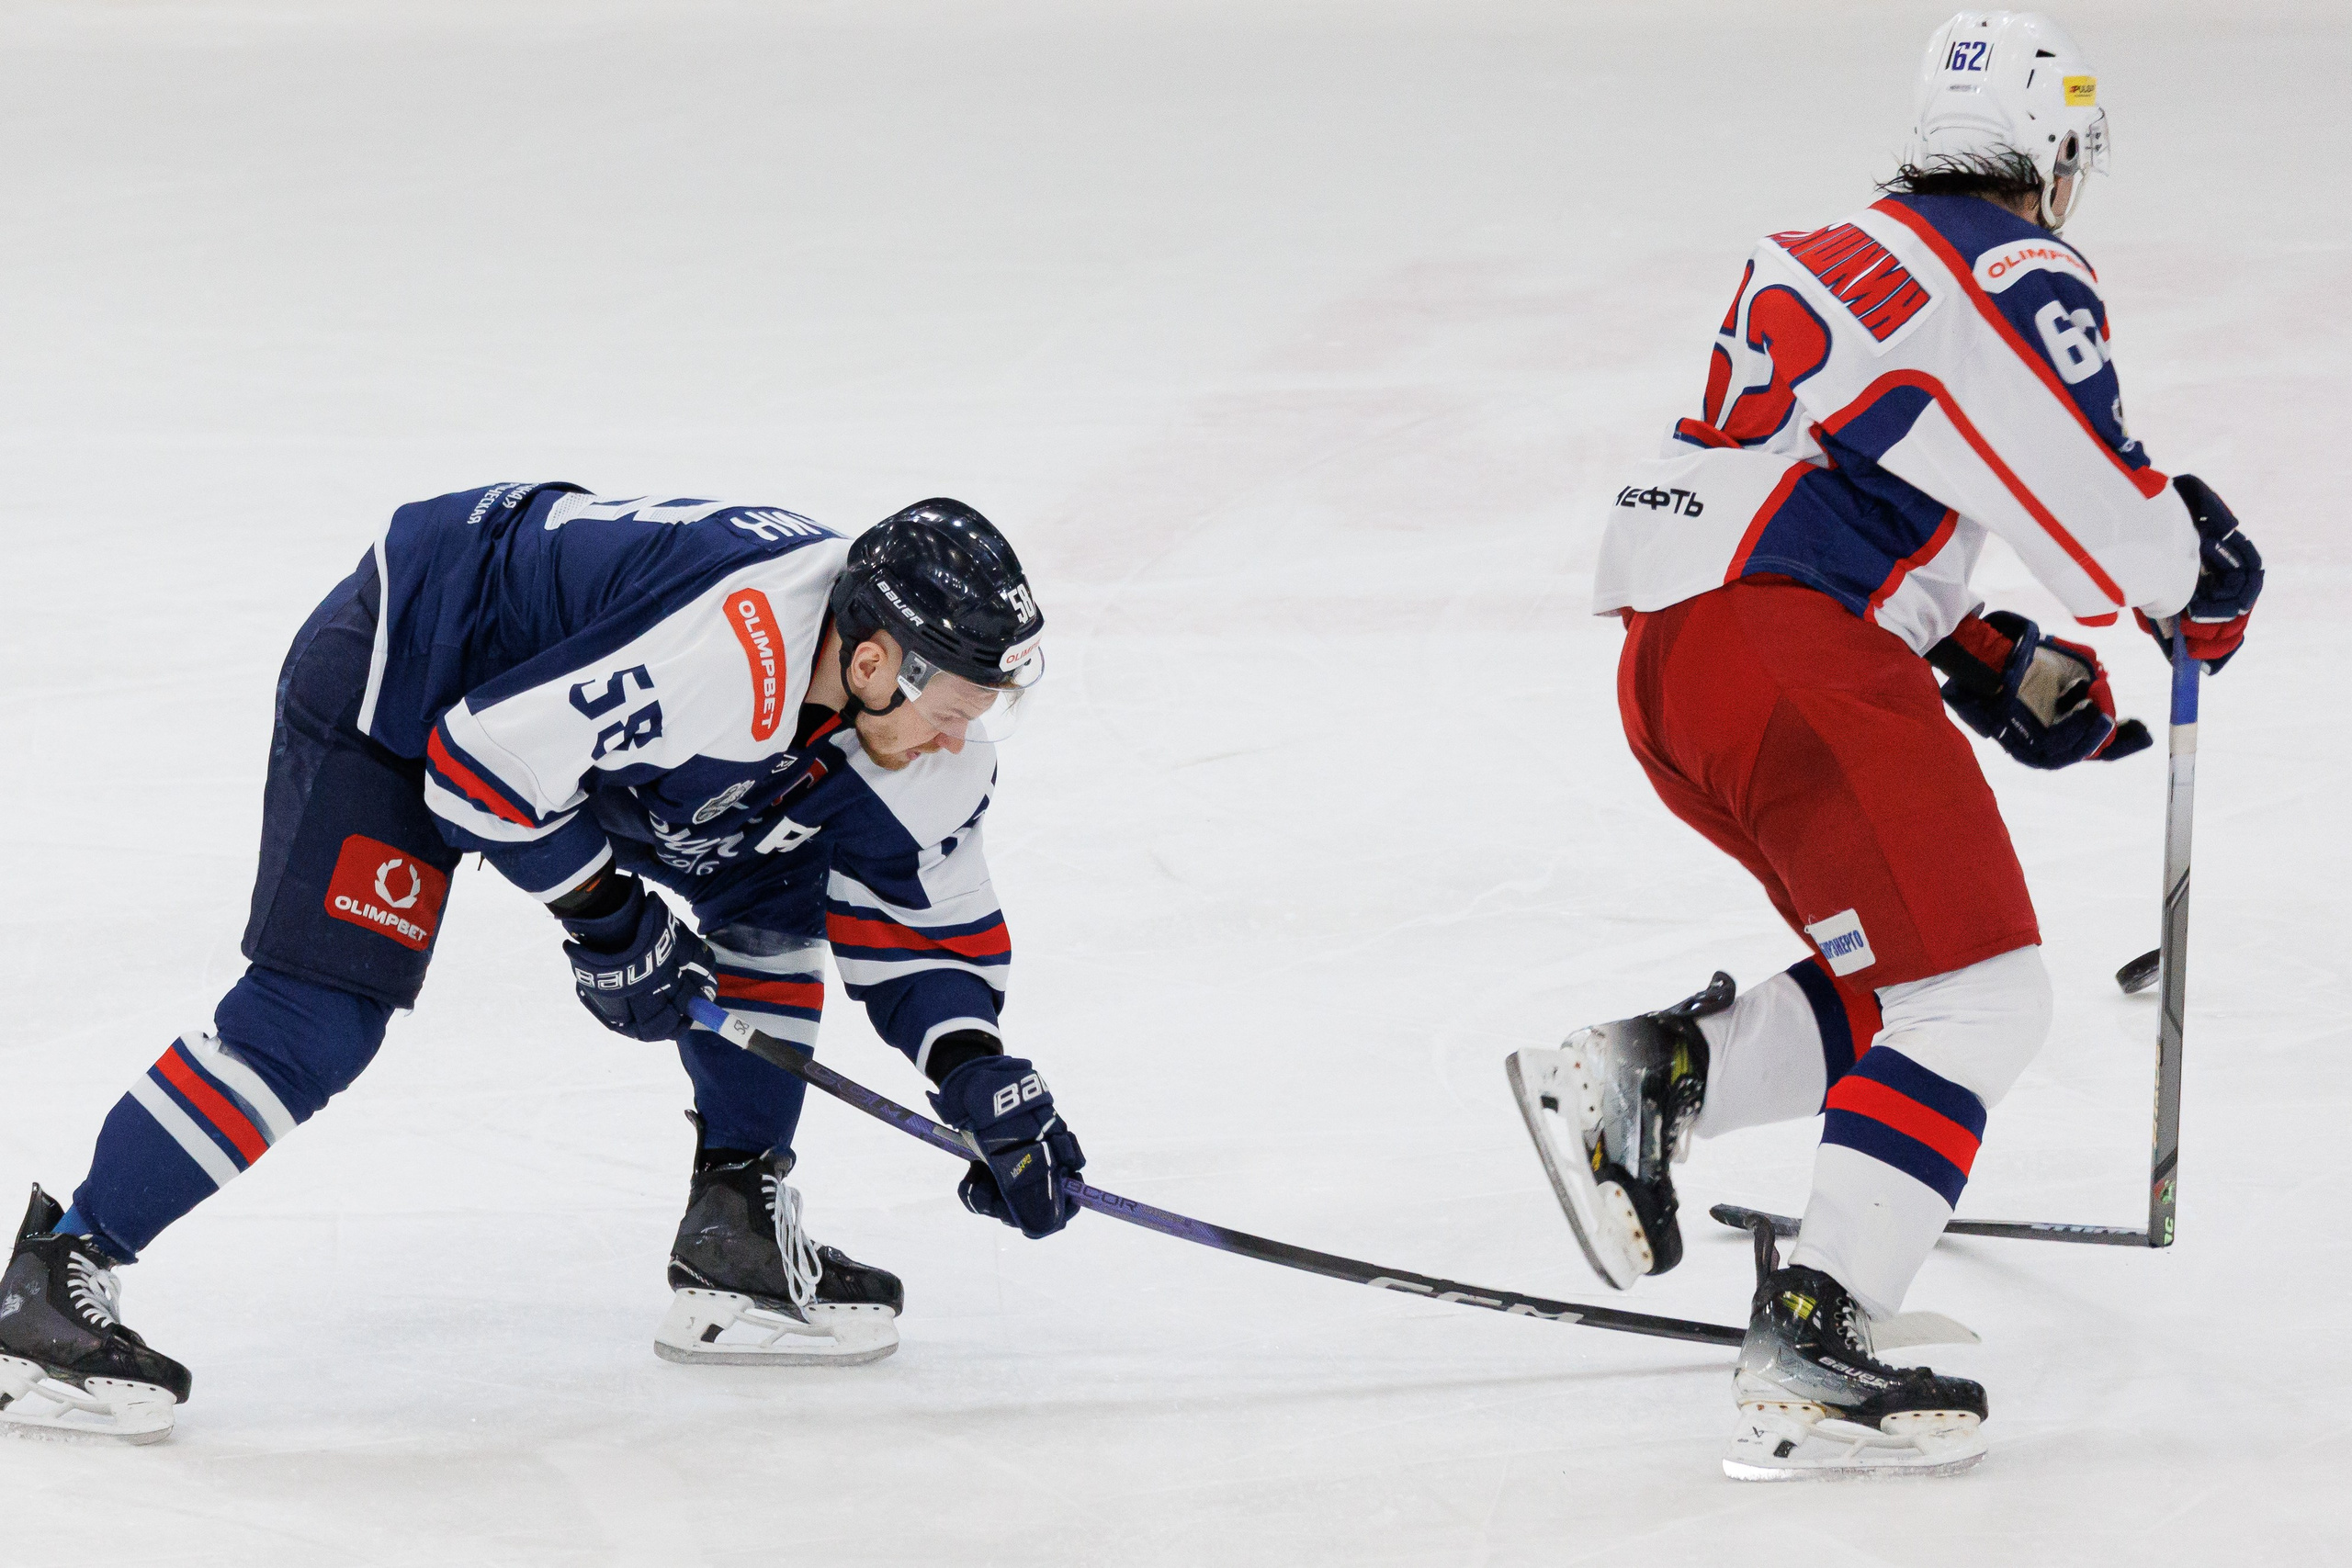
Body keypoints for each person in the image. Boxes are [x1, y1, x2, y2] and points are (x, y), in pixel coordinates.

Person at [1508, 10, 2263, 1478]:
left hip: (1680, 666)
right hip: (1786, 654)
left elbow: (1818, 488)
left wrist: (1979, 650)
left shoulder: (1845, 250)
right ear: (2053, 151)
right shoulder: (2011, 259)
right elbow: (2097, 494)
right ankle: (1817, 1322)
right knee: (1980, 999)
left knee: (1907, 976)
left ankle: (1647, 1078)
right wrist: (2195, 584)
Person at [0, 484, 1086, 1442]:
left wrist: (977, 1074)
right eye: (950, 711)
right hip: (418, 661)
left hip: (574, 731)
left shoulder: (900, 725)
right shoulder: (730, 650)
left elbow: (924, 931)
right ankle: (53, 1275)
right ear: (873, 661)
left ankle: (736, 1229)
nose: (960, 738)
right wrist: (609, 920)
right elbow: (478, 765)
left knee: (770, 897)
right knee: (321, 1015)